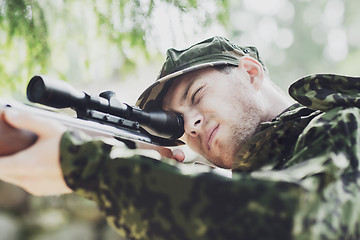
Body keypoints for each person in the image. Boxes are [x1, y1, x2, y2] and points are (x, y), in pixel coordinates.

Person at [0, 36, 359, 239]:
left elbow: (305, 221)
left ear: (250, 73)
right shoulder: (261, 174)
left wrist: (92, 170)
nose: (191, 125)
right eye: (176, 122)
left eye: (198, 95)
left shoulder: (343, 121)